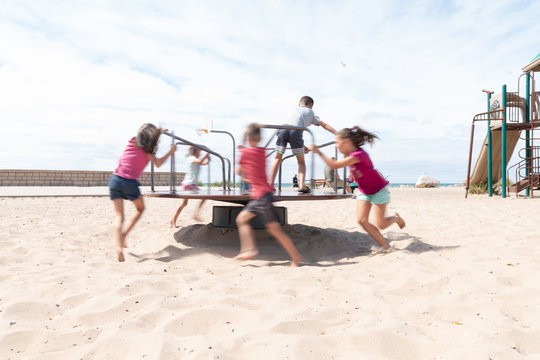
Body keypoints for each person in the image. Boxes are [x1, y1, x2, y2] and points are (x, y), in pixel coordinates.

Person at [309, 126, 405, 253]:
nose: (336, 146)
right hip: (364, 191)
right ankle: (386, 247)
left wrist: (318, 151)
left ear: (347, 142)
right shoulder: (350, 154)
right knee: (362, 220)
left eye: (337, 142)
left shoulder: (359, 155)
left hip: (378, 190)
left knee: (381, 224)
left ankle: (396, 218)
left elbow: (333, 165)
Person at [234, 123, 303, 267]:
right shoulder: (261, 152)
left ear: (247, 138)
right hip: (264, 195)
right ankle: (294, 256)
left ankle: (251, 250)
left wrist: (242, 152)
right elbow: (255, 171)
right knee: (250, 222)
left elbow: (239, 171)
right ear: (259, 137)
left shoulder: (245, 153)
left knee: (250, 223)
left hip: (260, 197)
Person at [109, 123, 176, 262]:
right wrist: (170, 153)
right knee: (140, 209)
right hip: (129, 183)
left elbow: (145, 134)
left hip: (115, 180)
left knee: (118, 217)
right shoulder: (148, 152)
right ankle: (124, 235)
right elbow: (157, 163)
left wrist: (158, 132)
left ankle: (118, 247)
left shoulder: (132, 141)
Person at [268, 96, 337, 193]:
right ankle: (301, 185)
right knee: (301, 162)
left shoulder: (293, 110)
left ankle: (270, 184)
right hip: (296, 131)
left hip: (282, 129)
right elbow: (324, 125)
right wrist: (337, 133)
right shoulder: (311, 113)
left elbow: (291, 126)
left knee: (277, 158)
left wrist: (303, 147)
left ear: (299, 103)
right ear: (311, 107)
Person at [169, 146, 210, 228]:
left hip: (191, 185)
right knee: (205, 196)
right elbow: (201, 160)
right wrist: (207, 154)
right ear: (195, 152)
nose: (200, 153)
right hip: (189, 184)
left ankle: (173, 220)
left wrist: (208, 158)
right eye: (199, 151)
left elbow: (204, 163)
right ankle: (196, 214)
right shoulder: (191, 158)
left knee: (184, 204)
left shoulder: (196, 160)